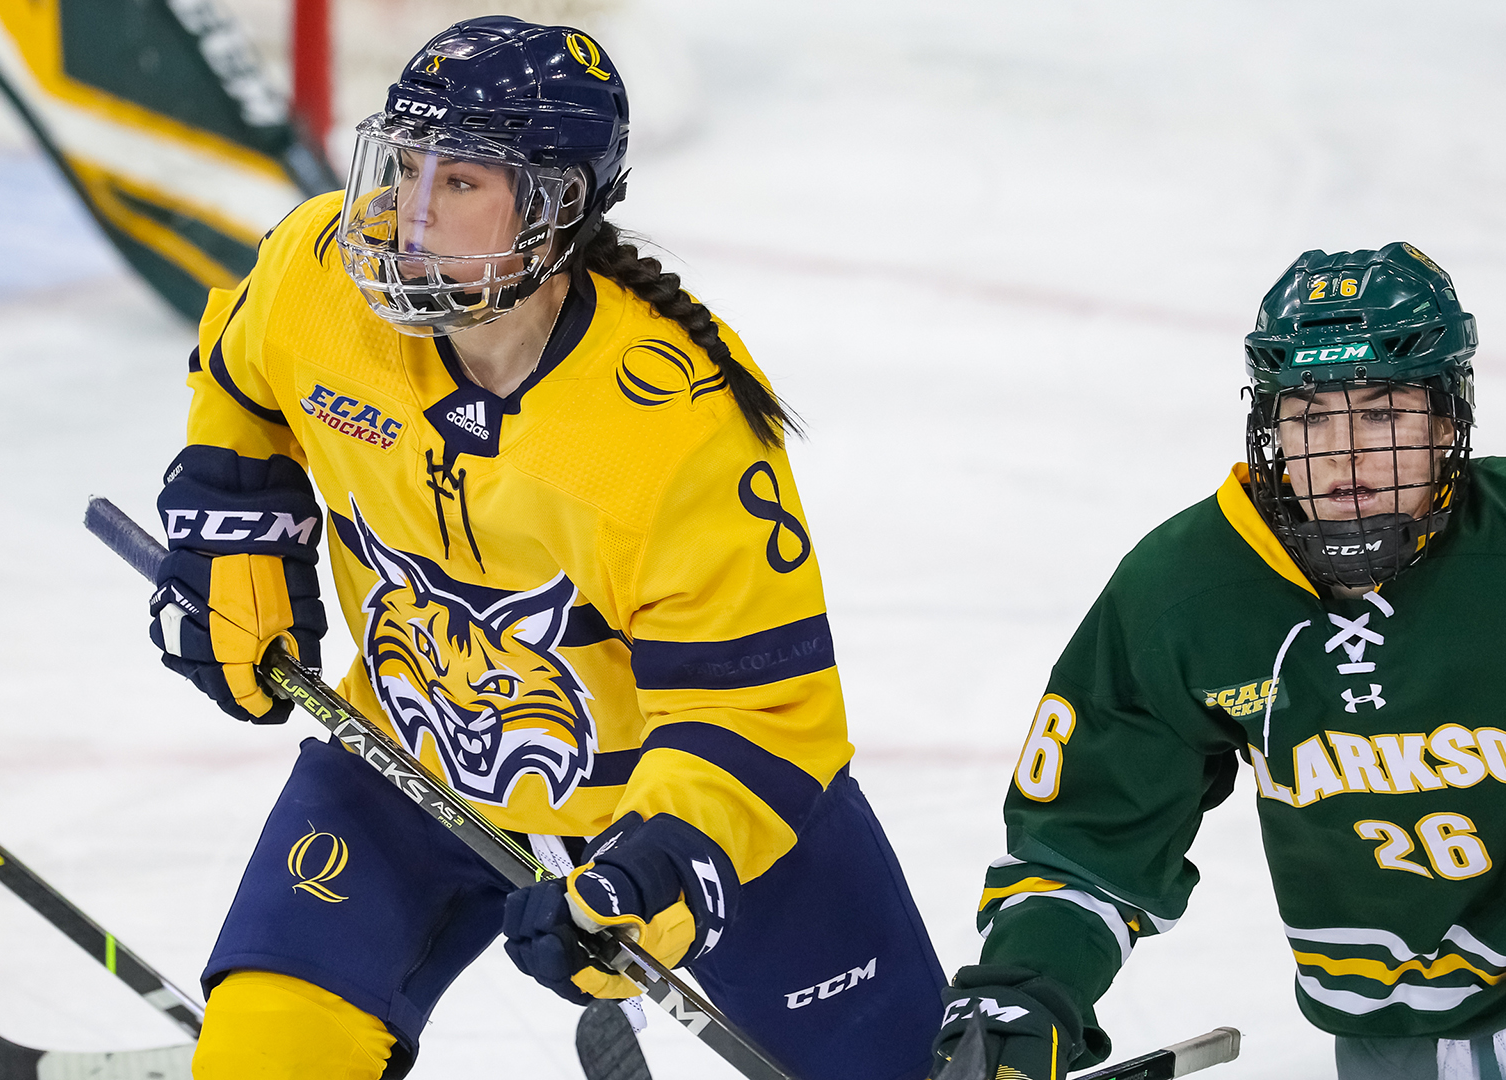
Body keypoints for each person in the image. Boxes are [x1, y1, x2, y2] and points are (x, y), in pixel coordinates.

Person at [145, 17, 943, 1080]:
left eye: (462, 181)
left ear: (558, 206)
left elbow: (757, 716)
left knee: (901, 1070)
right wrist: (235, 534)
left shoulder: (671, 425)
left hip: (658, 798)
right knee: (261, 1058)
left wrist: (658, 877)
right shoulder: (317, 276)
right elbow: (240, 382)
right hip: (410, 757)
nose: (407, 213)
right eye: (405, 165)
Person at [931, 243, 1506, 1080]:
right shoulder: (1183, 596)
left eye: (1381, 413)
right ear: (1269, 429)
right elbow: (1087, 837)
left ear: (1447, 423)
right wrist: (1029, 988)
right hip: (1394, 1010)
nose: (1343, 457)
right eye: (1309, 417)